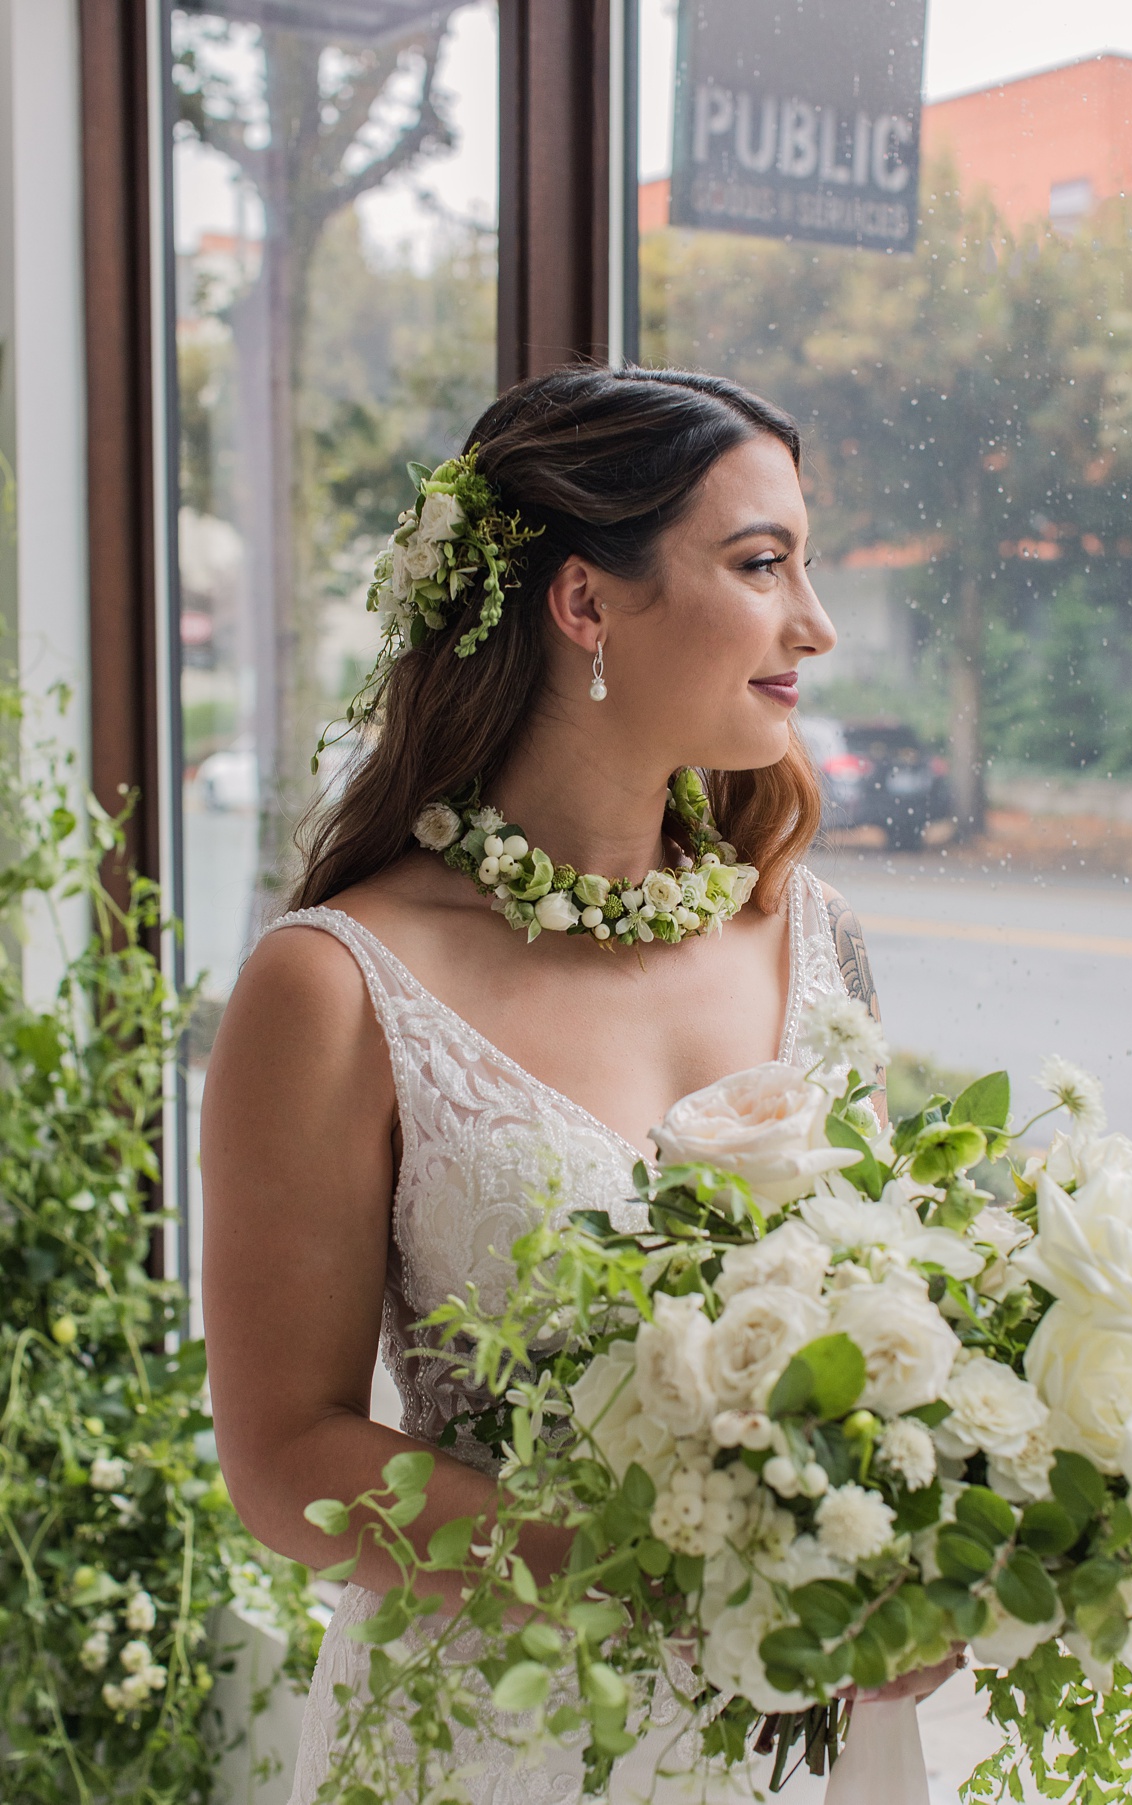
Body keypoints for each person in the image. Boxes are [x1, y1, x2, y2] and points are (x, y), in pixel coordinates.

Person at [201, 366, 958, 1803]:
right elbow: (284, 1451)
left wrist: (921, 1547)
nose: (818, 621)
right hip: (500, 1731)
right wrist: (674, 1581)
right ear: (585, 603)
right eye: (761, 563)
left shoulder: (814, 933)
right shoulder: (338, 984)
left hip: (818, 1737)